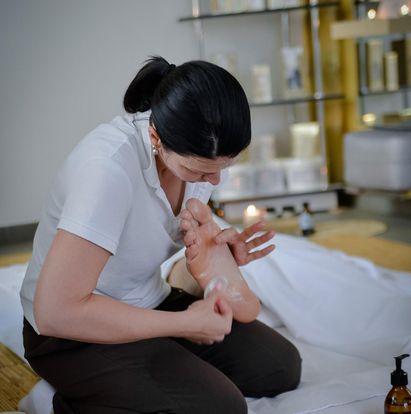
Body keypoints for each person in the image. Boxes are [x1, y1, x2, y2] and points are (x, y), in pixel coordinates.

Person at [20, 56, 301, 414]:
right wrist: (184, 323)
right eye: (200, 171)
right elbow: (54, 312)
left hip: (147, 302)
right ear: (156, 137)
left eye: (224, 167)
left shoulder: (202, 159)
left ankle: (149, 369)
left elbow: (237, 304)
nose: (215, 181)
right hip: (70, 332)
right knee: (221, 408)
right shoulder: (108, 171)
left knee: (278, 366)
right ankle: (72, 400)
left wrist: (214, 265)